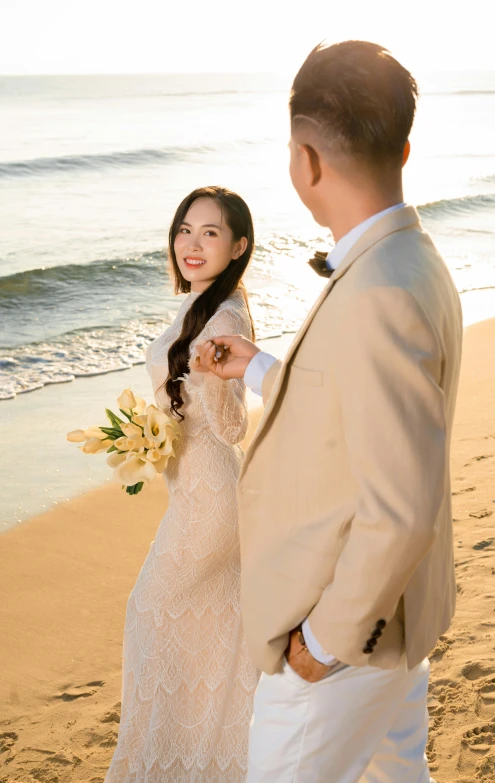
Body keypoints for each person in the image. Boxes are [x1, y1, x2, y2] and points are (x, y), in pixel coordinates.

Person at [195, 42, 463, 782]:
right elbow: (351, 411)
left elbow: (401, 508)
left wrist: (324, 638)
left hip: (348, 638)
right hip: (394, 619)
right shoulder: (411, 259)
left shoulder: (379, 290)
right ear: (403, 146)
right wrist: (255, 365)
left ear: (306, 161)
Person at [105, 186, 259, 782]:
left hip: (213, 496)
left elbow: (232, 425)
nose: (192, 245)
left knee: (152, 610)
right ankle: (206, 761)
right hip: (192, 490)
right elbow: (186, 412)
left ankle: (176, 763)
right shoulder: (206, 302)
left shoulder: (225, 316)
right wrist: (149, 433)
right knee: (211, 626)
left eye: (211, 233)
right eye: (185, 230)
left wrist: (215, 382)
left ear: (238, 246)